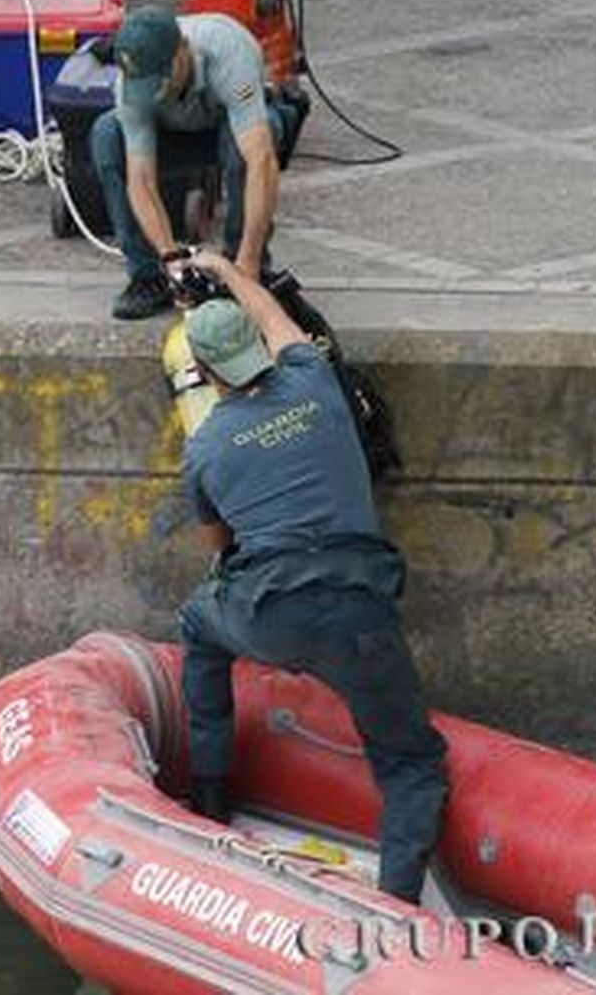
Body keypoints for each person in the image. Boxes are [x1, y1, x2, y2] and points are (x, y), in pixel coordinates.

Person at [172, 249, 448, 904]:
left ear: (204, 371)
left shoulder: (205, 447)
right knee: (412, 763)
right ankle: (397, 908)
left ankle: (210, 794)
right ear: (258, 348)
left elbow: (219, 545)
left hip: (269, 614)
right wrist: (227, 268)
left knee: (198, 624)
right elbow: (273, 314)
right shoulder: (313, 377)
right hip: (360, 611)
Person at [92, 4, 293, 321]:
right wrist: (170, 258)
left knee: (264, 130)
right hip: (169, 134)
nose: (156, 92)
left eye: (161, 80)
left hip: (227, 127)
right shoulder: (130, 85)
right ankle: (149, 277)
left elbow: (261, 160)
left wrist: (248, 261)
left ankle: (242, 268)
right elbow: (141, 179)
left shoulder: (228, 51)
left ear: (182, 51)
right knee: (106, 134)